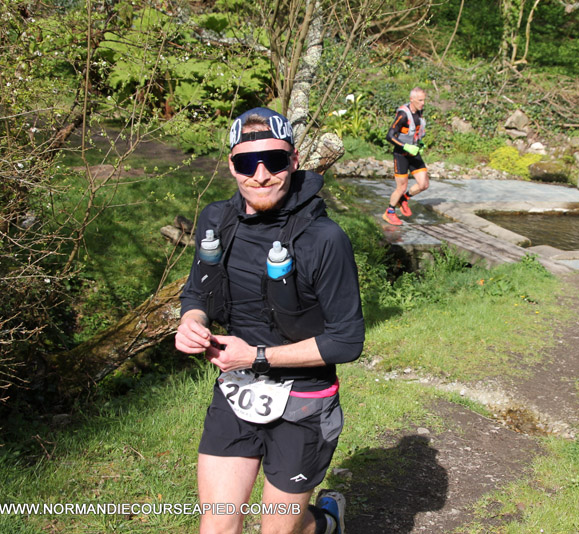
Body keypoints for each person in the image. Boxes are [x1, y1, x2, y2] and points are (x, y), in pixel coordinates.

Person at [176, 107, 364, 534]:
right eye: (247, 163)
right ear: (231, 165)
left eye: (274, 161)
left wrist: (255, 356)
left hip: (305, 401)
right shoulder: (216, 220)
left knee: (279, 530)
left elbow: (347, 340)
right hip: (237, 391)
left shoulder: (325, 239)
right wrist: (191, 320)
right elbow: (197, 292)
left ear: (293, 161)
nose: (260, 175)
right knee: (217, 526)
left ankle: (325, 522)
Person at [383, 87, 429, 226]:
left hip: (413, 153)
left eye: (424, 100)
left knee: (424, 184)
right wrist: (405, 146)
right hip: (401, 155)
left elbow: (415, 131)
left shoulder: (420, 112)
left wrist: (419, 142)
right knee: (401, 187)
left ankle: (404, 199)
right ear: (411, 99)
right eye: (420, 100)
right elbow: (389, 136)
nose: (423, 103)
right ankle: (389, 212)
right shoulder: (403, 114)